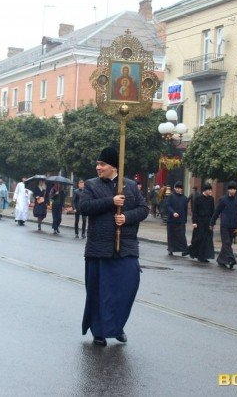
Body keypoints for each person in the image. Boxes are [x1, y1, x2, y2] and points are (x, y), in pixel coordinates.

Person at [80, 146, 149, 346]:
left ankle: (117, 326)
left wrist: (126, 217)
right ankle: (99, 331)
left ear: (114, 167)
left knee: (126, 288)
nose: (98, 167)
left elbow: (143, 209)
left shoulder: (130, 185)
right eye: (97, 164)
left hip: (125, 248)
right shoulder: (91, 186)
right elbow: (84, 208)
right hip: (99, 249)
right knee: (99, 292)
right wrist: (111, 201)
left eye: (102, 164)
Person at [211, 181, 237, 269]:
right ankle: (231, 259)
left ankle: (221, 260)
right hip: (224, 225)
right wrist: (212, 223)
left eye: (234, 189)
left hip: (233, 226)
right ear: (228, 190)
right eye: (231, 189)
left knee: (227, 244)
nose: (232, 191)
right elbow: (217, 211)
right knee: (226, 242)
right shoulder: (223, 199)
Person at [188, 183, 215, 263]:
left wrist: (212, 223)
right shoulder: (198, 198)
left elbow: (212, 212)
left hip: (208, 221)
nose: (210, 191)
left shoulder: (211, 199)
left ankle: (203, 256)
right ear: (205, 190)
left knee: (207, 240)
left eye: (211, 190)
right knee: (199, 239)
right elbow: (195, 211)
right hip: (199, 221)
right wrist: (194, 222)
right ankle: (192, 251)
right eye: (209, 190)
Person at [165, 181, 188, 257]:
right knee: (171, 235)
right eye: (177, 188)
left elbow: (185, 209)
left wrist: (185, 220)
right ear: (174, 188)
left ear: (182, 189)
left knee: (181, 235)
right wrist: (173, 212)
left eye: (180, 188)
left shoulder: (185, 198)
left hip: (181, 220)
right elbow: (168, 206)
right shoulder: (171, 196)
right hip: (171, 220)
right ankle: (171, 249)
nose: (178, 189)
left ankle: (184, 250)